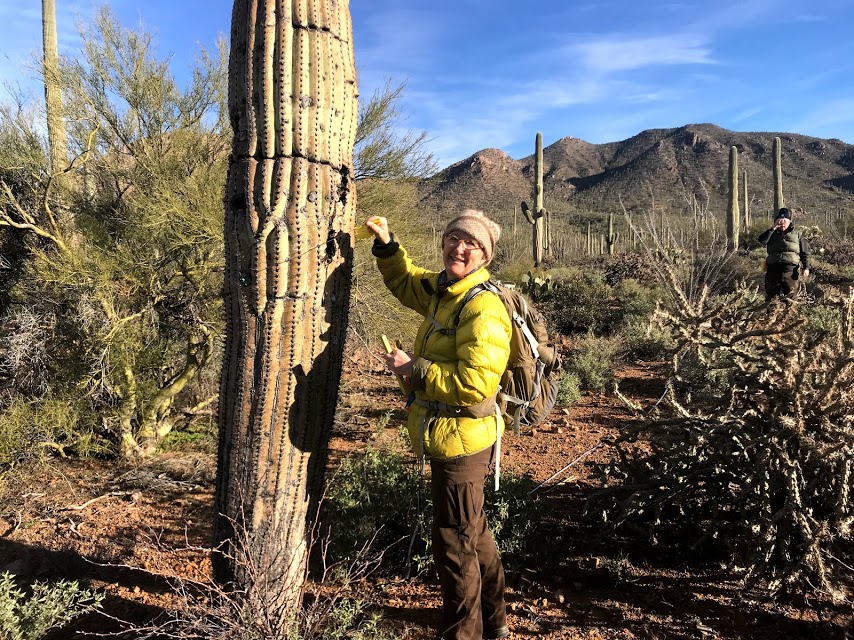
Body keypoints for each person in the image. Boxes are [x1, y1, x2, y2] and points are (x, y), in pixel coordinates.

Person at [366, 210, 512, 640]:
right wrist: (388, 244)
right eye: (453, 238)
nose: (460, 248)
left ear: (485, 255)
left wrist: (417, 368)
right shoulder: (445, 289)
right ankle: (496, 621)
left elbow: (475, 383)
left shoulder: (482, 306)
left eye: (471, 244)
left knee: (455, 545)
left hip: (463, 441)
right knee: (472, 532)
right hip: (450, 436)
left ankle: (463, 634)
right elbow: (406, 281)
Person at [757, 207, 810, 300]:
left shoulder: (798, 234)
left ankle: (788, 314)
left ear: (789, 221)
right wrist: (773, 228)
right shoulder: (771, 233)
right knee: (771, 298)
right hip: (773, 270)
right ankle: (771, 314)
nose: (782, 224)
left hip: (790, 270)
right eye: (779, 221)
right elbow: (762, 240)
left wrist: (806, 267)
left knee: (791, 297)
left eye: (784, 221)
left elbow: (804, 252)